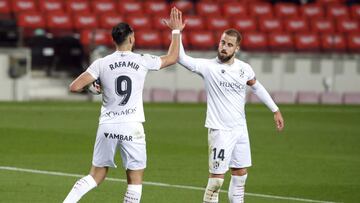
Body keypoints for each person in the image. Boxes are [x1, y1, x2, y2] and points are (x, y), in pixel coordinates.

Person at [63, 7, 185, 203]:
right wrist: (176, 31)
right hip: (132, 125)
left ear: (114, 40)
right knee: (134, 181)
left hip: (108, 125)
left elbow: (74, 86)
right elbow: (172, 58)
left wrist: (94, 89)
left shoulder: (101, 63)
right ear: (131, 39)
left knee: (95, 175)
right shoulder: (142, 60)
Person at [177, 28, 285, 202]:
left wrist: (275, 109)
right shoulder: (208, 67)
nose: (224, 47)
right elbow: (181, 58)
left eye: (229, 44)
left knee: (240, 175)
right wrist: (176, 31)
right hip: (220, 131)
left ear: (237, 49)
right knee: (216, 182)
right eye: (222, 43)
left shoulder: (244, 69)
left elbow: (256, 86)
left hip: (240, 129)